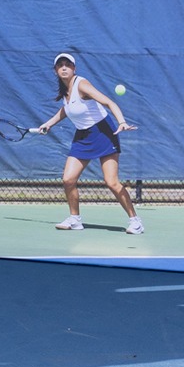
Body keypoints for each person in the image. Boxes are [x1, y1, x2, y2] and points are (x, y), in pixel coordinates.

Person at [31, 53, 143, 233]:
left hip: (104, 132)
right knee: (68, 179)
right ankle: (75, 219)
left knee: (111, 182)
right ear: (56, 71)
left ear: (74, 68)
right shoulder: (65, 91)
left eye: (68, 64)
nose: (64, 68)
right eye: (60, 65)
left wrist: (122, 122)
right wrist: (49, 124)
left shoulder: (81, 84)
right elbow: (67, 110)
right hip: (83, 136)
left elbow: (109, 102)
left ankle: (135, 221)